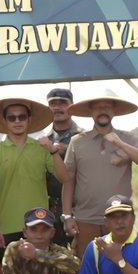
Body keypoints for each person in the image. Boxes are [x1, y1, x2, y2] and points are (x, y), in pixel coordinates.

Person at [60, 94, 138, 251]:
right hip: (85, 219)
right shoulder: (77, 142)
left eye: (107, 107)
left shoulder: (128, 138)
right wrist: (67, 216)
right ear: (91, 112)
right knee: (87, 263)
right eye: (97, 107)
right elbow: (68, 181)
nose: (102, 110)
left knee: (120, 262)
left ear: (114, 111)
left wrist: (119, 143)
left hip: (120, 218)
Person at [0, 96, 67, 250]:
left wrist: (52, 150)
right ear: (4, 121)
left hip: (39, 226)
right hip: (7, 225)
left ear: (29, 119)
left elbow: (64, 177)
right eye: (11, 118)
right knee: (9, 266)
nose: (17, 121)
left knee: (42, 266)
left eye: (22, 117)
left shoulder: (42, 147)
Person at [40, 86, 82, 214]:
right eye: (53, 104)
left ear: (72, 106)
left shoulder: (84, 137)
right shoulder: (43, 141)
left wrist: (69, 151)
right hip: (48, 209)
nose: (57, 108)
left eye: (63, 103)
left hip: (79, 207)